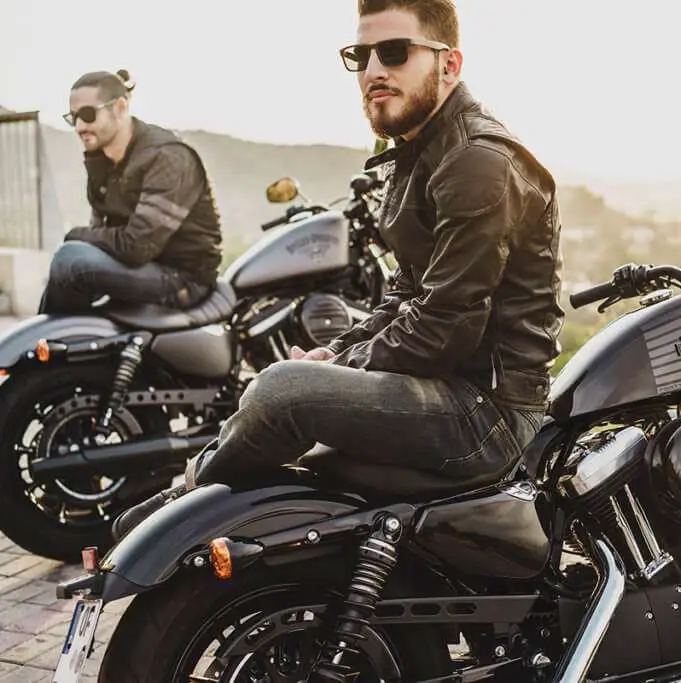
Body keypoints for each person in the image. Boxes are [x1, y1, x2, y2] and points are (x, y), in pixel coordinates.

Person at [112, 0, 565, 537]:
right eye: (361, 55)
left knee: (282, 394)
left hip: (487, 413)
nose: (374, 70)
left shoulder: (476, 161)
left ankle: (182, 506)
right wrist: (338, 352)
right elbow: (406, 296)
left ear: (450, 64)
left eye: (395, 53)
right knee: (288, 385)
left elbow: (446, 325)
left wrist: (345, 363)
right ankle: (197, 508)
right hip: (451, 392)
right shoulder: (420, 150)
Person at [39, 69, 223, 315]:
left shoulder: (166, 156)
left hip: (183, 279)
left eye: (88, 114)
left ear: (120, 108)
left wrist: (75, 235)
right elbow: (100, 229)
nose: (80, 126)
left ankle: (46, 347)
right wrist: (85, 239)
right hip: (141, 267)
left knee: (70, 260)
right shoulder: (102, 159)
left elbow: (137, 247)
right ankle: (53, 346)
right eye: (73, 118)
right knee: (69, 265)